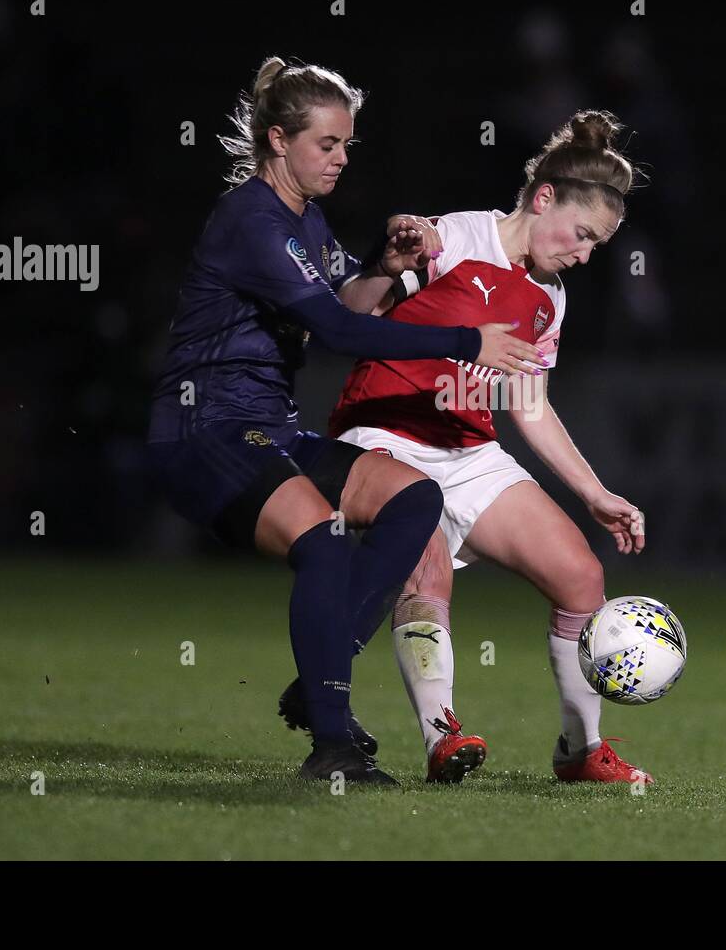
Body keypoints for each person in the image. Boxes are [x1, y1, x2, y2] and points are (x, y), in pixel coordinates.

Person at [145, 56, 543, 785]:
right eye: (326, 143)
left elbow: (350, 305)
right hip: (205, 430)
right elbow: (337, 332)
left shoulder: (308, 219)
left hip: (267, 426)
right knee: (326, 547)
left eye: (347, 144)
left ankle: (320, 674)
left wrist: (385, 267)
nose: (340, 157)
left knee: (417, 501)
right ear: (277, 140)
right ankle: (331, 747)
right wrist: (465, 341)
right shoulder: (250, 219)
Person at [326, 110, 652, 784]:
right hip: (388, 438)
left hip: (469, 452)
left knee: (580, 577)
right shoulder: (451, 237)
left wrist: (594, 491)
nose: (585, 254)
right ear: (543, 199)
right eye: (583, 234)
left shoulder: (549, 295)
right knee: (427, 576)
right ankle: (440, 735)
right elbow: (345, 317)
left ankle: (580, 749)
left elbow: (528, 404)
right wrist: (384, 265)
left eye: (598, 244)